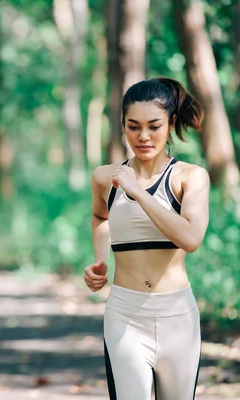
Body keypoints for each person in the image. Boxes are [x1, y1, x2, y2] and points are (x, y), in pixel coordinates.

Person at [83, 77, 210, 399]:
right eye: (133, 126)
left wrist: (138, 191)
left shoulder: (190, 177)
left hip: (177, 316)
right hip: (125, 314)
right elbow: (100, 217)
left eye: (154, 126)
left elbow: (191, 238)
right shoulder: (105, 177)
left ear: (171, 124)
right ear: (122, 125)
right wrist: (100, 260)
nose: (143, 136)